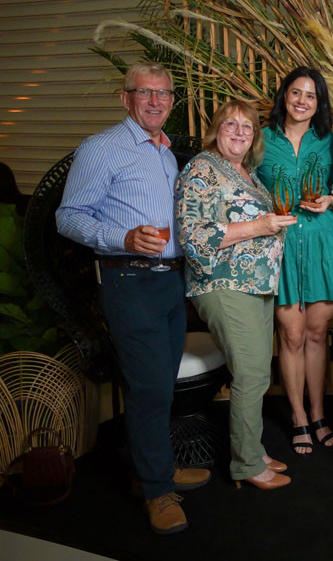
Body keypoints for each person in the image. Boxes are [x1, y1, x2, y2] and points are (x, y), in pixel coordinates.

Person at [56, 62, 210, 534]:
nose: (156, 101)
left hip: (168, 282)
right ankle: (159, 492)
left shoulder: (165, 153)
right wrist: (123, 236)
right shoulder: (102, 149)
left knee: (160, 383)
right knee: (147, 387)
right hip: (130, 282)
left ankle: (153, 467)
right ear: (126, 98)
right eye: (145, 92)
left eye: (164, 94)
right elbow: (67, 217)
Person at [177, 99, 295, 490]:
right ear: (216, 129)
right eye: (232, 125)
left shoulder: (246, 172)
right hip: (223, 284)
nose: (240, 132)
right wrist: (261, 226)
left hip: (256, 286)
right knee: (249, 372)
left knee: (259, 373)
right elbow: (193, 237)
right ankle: (245, 465)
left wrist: (273, 226)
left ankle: (252, 447)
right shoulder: (201, 169)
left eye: (248, 127)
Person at [256, 67, 333, 455]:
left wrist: (330, 199)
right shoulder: (260, 139)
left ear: (319, 103)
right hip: (279, 243)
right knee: (291, 336)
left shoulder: (331, 138)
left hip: (322, 242)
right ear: (284, 96)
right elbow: (241, 182)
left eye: (310, 96)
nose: (301, 101)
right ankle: (296, 415)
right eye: (295, 93)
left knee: (316, 334)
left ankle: (318, 413)